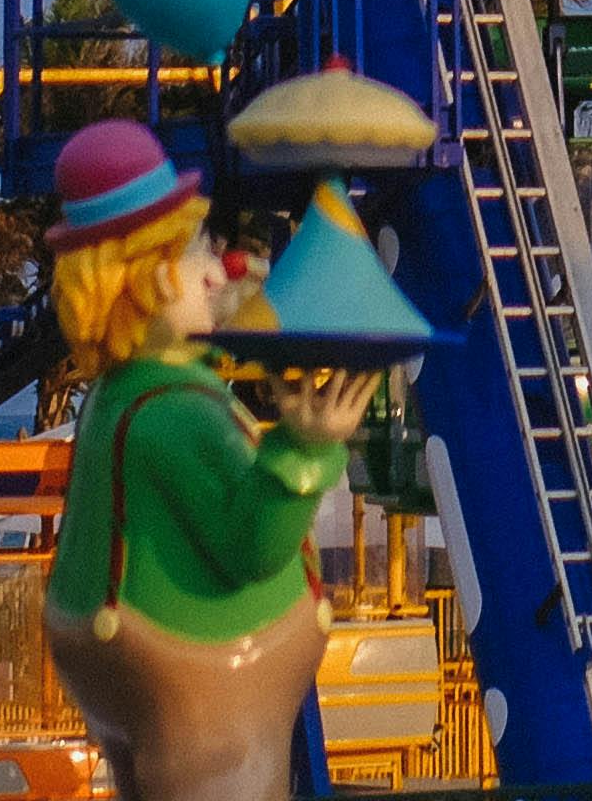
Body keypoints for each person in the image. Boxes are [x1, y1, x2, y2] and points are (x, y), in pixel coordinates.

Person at [42, 119, 376, 801]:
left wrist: (229, 309)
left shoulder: (125, 391)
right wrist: (306, 447)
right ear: (134, 281)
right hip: (207, 669)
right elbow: (250, 543)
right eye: (190, 251)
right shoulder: (177, 415)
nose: (213, 264)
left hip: (125, 643)